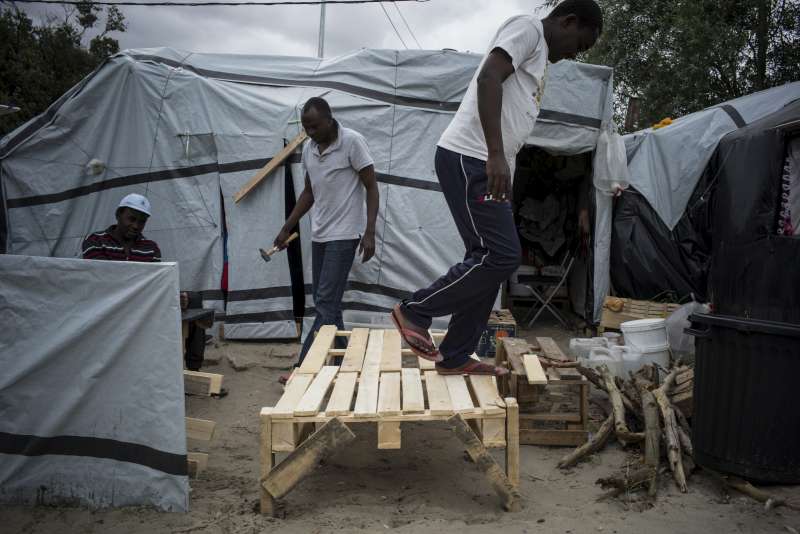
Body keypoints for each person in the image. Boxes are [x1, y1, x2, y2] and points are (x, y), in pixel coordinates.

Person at [391, 0, 604, 376]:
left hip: (484, 163)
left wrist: (502, 160)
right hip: (469, 157)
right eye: (580, 44)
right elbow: (489, 77)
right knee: (502, 256)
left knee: (489, 258)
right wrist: (494, 155)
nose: (574, 54)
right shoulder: (528, 29)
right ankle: (414, 311)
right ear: (569, 21)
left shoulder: (540, 61)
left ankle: (455, 354)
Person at [274, 97, 379, 378]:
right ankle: (347, 364)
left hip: (345, 234)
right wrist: (288, 226)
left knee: (324, 302)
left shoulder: (352, 142)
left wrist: (370, 232)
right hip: (320, 234)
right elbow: (309, 192)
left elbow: (371, 186)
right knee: (329, 304)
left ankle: (304, 368)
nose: (310, 132)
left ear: (330, 120)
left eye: (315, 126)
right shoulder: (309, 149)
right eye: (306, 127)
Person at [82, 193, 207, 370]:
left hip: (143, 301)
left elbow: (157, 282)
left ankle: (194, 368)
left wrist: (174, 296)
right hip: (108, 303)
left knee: (193, 298)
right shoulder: (96, 240)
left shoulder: (150, 247)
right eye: (131, 219)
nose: (136, 226)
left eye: (141, 222)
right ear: (118, 215)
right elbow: (100, 281)